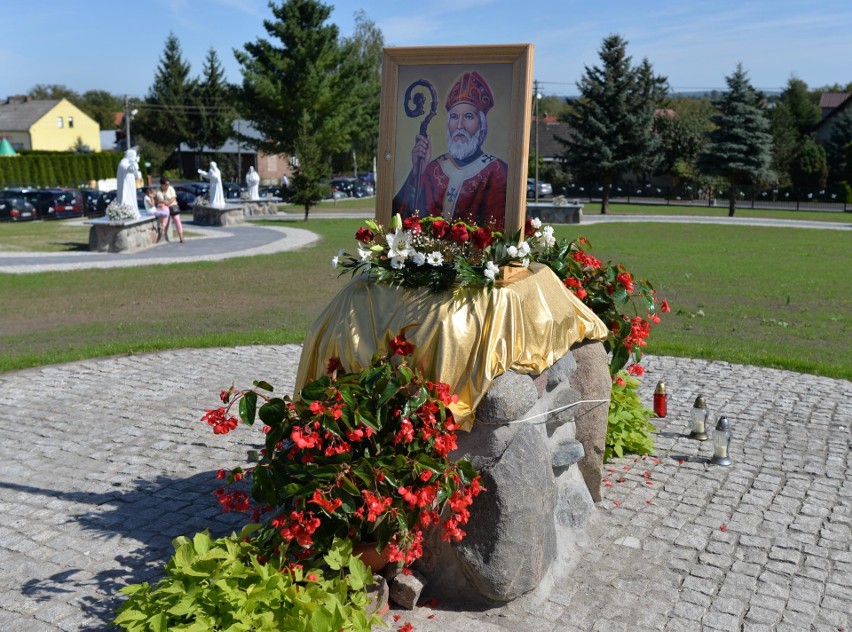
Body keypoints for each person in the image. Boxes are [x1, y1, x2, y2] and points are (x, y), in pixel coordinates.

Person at [392, 71, 508, 230]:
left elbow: (498, 231)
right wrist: (417, 171)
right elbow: (401, 215)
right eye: (454, 117)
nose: (459, 126)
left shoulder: (496, 172)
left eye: (468, 117)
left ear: (481, 125)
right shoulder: (434, 169)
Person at [156, 177, 184, 243]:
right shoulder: (158, 190)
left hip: (172, 205)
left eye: (168, 184)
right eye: (166, 184)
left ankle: (181, 236)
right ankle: (163, 229)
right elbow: (159, 199)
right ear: (162, 184)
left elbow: (173, 197)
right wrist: (164, 202)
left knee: (177, 219)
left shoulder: (171, 188)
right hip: (163, 206)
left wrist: (168, 202)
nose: (167, 185)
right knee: (166, 212)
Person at [116, 149, 141, 214]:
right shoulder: (123, 163)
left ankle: (131, 211)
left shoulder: (128, 163)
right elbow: (131, 169)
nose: (135, 158)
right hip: (126, 187)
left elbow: (136, 174)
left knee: (131, 200)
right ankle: (126, 212)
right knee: (126, 200)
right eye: (134, 156)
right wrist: (135, 162)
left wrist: (135, 163)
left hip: (130, 186)